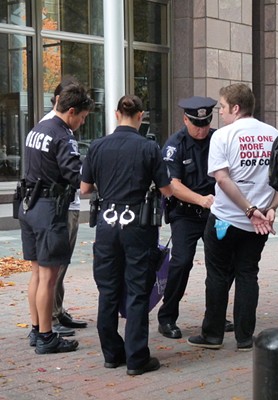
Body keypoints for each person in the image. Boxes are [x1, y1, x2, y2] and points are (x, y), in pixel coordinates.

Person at [80, 94, 173, 376]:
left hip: (107, 225)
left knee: (107, 290)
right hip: (139, 225)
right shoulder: (148, 148)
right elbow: (167, 189)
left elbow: (84, 189)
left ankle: (111, 353)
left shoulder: (97, 146)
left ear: (116, 114)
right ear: (140, 116)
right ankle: (136, 358)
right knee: (136, 291)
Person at [187, 83, 278, 351]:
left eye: (222, 108)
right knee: (248, 274)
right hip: (259, 225)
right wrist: (269, 208)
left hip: (225, 219)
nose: (220, 113)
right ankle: (244, 337)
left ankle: (213, 334)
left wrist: (249, 210)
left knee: (217, 275)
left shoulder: (223, 136)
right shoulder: (274, 135)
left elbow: (222, 178)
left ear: (236, 108)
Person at [20, 83, 94, 354]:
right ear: (71, 111)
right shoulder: (63, 135)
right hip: (50, 209)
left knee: (37, 274)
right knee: (49, 277)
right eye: (82, 118)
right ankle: (47, 336)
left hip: (29, 205)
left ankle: (35, 329)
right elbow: (75, 176)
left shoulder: (38, 128)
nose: (82, 123)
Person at [157, 96, 233, 339]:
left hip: (216, 212)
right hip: (186, 213)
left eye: (205, 124)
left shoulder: (218, 138)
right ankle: (167, 317)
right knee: (181, 263)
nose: (201, 130)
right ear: (185, 119)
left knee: (222, 265)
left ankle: (216, 316)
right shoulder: (174, 145)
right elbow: (171, 184)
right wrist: (200, 199)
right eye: (196, 124)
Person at [40, 77, 88, 338]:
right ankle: (51, 317)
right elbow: (68, 173)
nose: (82, 121)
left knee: (60, 263)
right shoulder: (54, 128)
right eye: (81, 115)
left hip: (64, 203)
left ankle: (57, 309)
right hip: (59, 205)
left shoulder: (58, 128)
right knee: (53, 266)